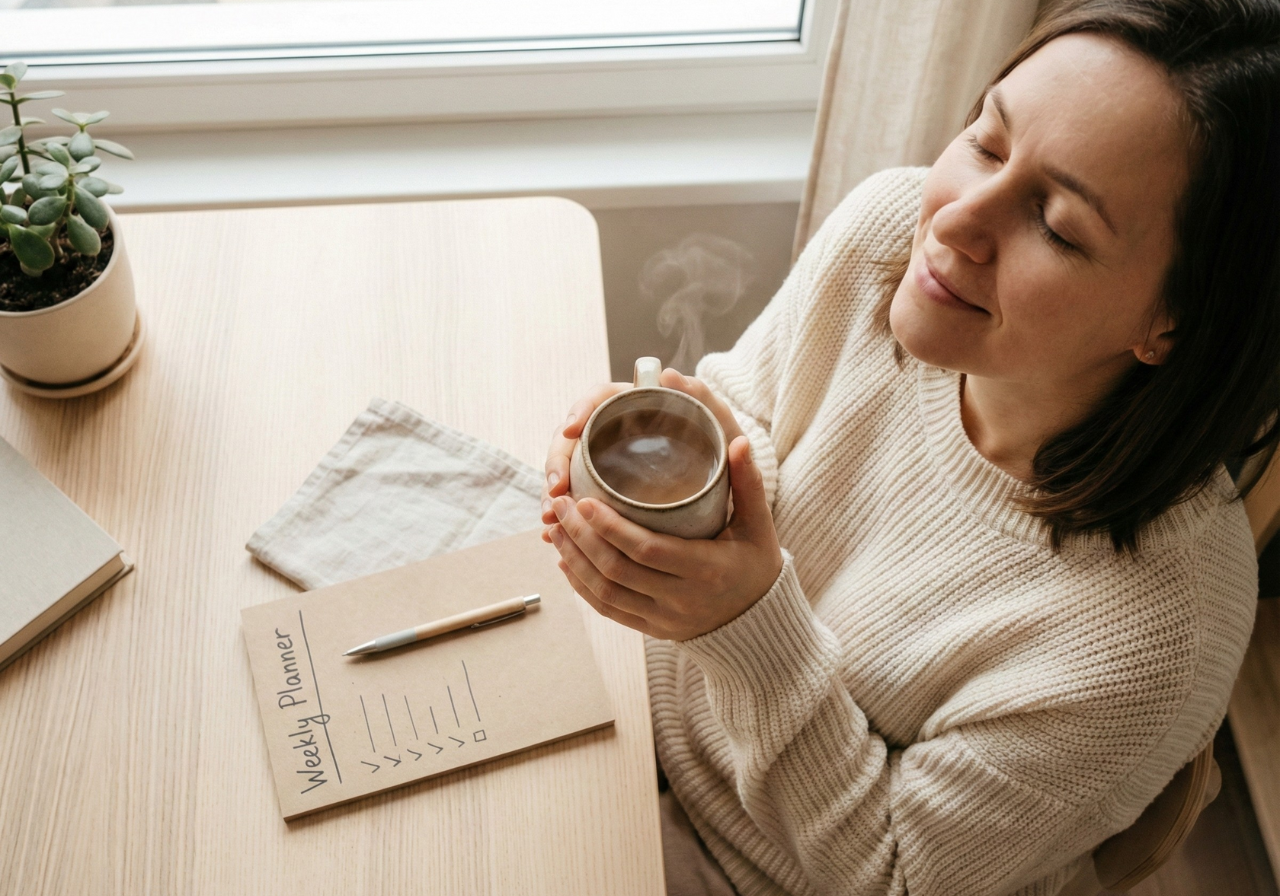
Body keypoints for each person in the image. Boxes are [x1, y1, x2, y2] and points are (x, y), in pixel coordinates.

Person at [542, 0, 1280, 893]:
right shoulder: (890, 235)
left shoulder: (1154, 638)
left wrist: (742, 623)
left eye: (1056, 225)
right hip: (633, 701)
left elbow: (893, 875)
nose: (955, 222)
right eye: (989, 143)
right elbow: (759, 412)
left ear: (1174, 321)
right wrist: (701, 469)